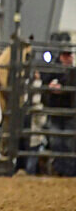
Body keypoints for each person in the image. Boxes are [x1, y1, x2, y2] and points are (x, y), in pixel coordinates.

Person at [40, 32, 75, 176]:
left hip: (69, 113)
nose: (67, 58)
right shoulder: (52, 69)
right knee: (57, 142)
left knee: (68, 143)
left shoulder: (72, 72)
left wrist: (59, 86)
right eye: (64, 55)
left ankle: (68, 172)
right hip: (56, 112)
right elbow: (45, 80)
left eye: (69, 55)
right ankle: (61, 171)